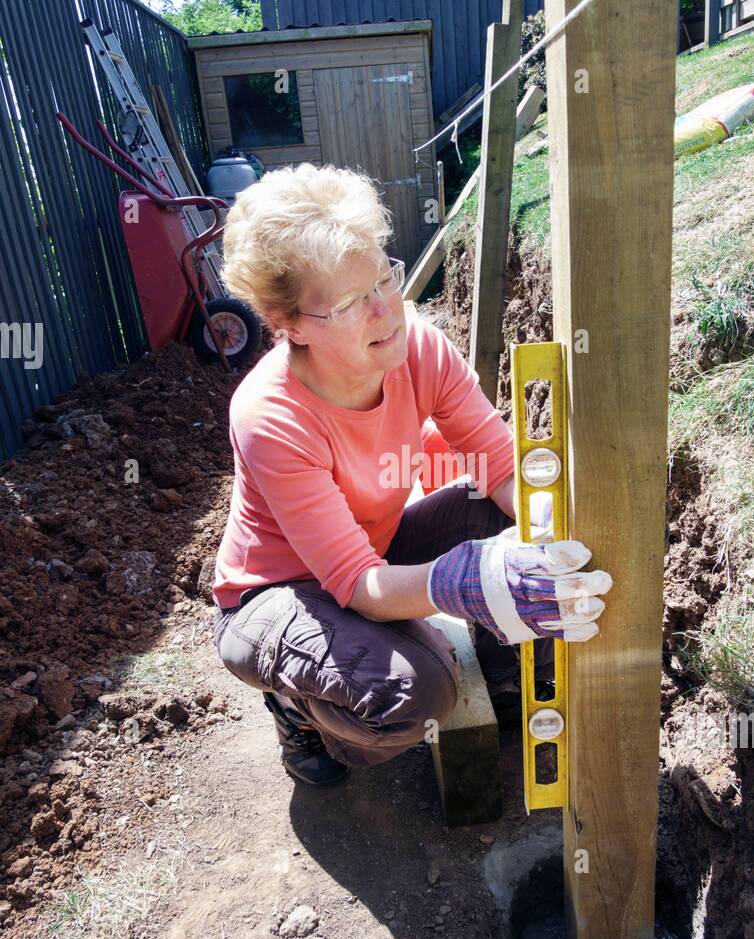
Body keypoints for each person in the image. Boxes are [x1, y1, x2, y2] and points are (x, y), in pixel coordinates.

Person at [211, 163, 611, 787]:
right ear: (288, 325)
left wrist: (548, 538)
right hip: (278, 592)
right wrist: (461, 581)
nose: (385, 311)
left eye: (383, 277)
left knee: (495, 511)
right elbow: (353, 583)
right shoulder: (272, 415)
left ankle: (508, 676)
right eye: (349, 303)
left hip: (373, 548)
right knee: (417, 692)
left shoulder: (419, 350)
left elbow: (500, 466)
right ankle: (301, 713)